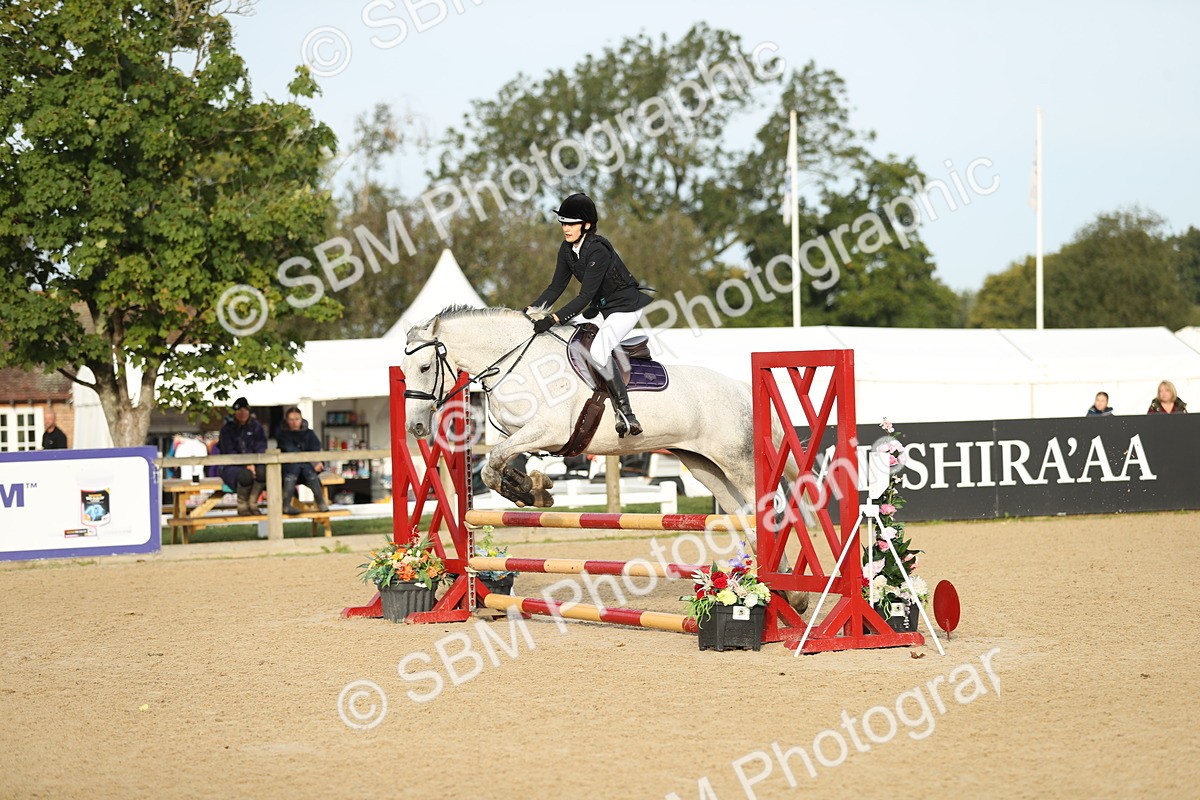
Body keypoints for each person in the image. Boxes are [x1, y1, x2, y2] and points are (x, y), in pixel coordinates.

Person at [526, 193, 653, 438]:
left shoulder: (598, 250)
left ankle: (626, 412)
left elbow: (584, 296)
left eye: (571, 223)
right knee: (568, 341)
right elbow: (555, 288)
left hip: (625, 307)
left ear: (586, 225)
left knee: (597, 351)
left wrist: (554, 319)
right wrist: (529, 311)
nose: (566, 228)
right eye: (563, 223)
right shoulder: (566, 250)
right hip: (601, 308)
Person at [217, 397, 267, 515]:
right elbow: (228, 450)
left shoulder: (256, 427)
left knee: (263, 472)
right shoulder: (227, 429)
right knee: (245, 476)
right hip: (231, 465)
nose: (242, 413)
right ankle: (242, 505)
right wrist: (245, 464)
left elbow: (261, 447)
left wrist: (254, 463)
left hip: (254, 463)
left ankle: (253, 502)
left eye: (245, 410)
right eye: (239, 411)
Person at [277, 407, 330, 514]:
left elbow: (316, 448)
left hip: (307, 470)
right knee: (297, 466)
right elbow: (291, 450)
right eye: (291, 419)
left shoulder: (309, 433)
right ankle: (286, 504)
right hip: (289, 469)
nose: (294, 422)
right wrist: (310, 461)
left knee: (306, 469)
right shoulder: (282, 434)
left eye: (297, 419)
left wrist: (316, 462)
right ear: (287, 421)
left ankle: (320, 502)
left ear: (301, 419)